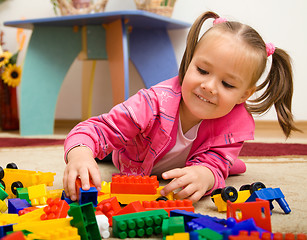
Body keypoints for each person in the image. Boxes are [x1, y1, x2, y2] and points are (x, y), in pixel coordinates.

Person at [63, 11, 299, 203]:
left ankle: (228, 164)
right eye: (202, 71)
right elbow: (96, 128)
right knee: (105, 149)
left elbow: (215, 164)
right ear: (189, 62)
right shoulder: (153, 103)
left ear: (243, 95)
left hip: (187, 161)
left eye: (227, 84)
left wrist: (207, 174)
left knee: (221, 167)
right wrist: (80, 154)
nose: (209, 86)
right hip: (133, 154)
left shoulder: (235, 124)